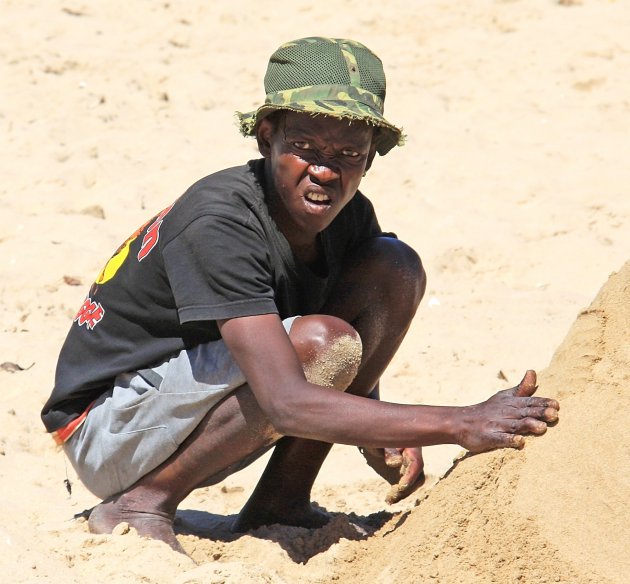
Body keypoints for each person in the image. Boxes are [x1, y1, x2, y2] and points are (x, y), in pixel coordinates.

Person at [41, 37, 559, 554]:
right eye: (305, 148)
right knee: (321, 342)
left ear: (371, 157)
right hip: (107, 428)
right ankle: (141, 502)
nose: (326, 171)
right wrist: (459, 423)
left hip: (196, 396)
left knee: (393, 268)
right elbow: (288, 399)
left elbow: (324, 351)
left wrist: (375, 423)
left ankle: (281, 502)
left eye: (348, 154)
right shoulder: (220, 221)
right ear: (267, 136)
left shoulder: (349, 216)